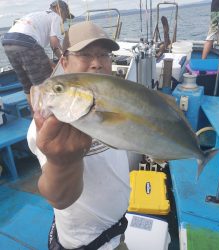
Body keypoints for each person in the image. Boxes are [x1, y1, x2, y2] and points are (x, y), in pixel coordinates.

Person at [27, 21, 130, 250]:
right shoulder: (51, 124)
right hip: (88, 244)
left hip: (118, 233)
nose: (97, 64)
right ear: (64, 61)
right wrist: (62, 164)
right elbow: (60, 197)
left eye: (104, 55)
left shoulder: (112, 102)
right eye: (85, 55)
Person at [1, 0, 74, 106]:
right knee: (45, 84)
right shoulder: (56, 17)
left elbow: (38, 51)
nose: (64, 21)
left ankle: (35, 116)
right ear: (59, 10)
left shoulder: (38, 15)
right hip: (27, 43)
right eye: (65, 17)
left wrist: (52, 64)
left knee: (27, 86)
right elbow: (54, 44)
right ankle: (47, 117)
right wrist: (66, 62)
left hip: (8, 42)